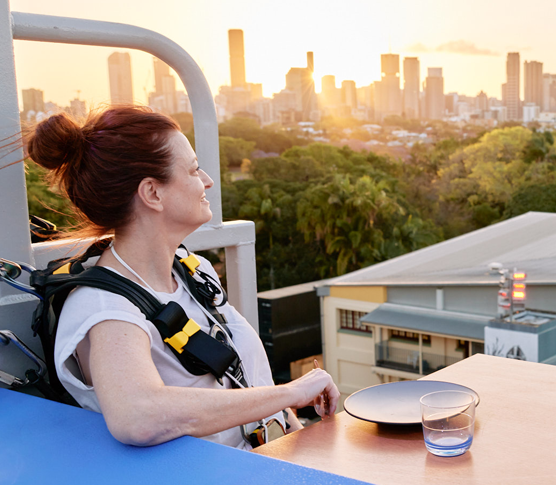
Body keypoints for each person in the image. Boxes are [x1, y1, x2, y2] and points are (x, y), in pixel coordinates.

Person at [24, 106, 339, 448]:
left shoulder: (192, 271)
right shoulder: (105, 309)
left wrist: (292, 427)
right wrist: (290, 392)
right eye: (192, 170)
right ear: (152, 193)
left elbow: (245, 379)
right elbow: (137, 416)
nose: (207, 180)